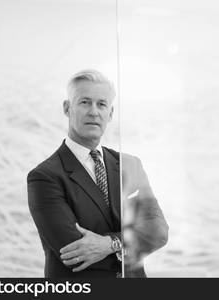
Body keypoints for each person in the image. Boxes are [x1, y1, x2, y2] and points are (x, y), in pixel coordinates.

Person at [27, 69, 168, 278]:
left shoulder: (130, 164)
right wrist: (133, 242)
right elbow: (75, 251)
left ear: (110, 114)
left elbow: (158, 232)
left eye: (101, 104)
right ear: (67, 108)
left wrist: (110, 244)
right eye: (85, 102)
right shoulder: (45, 177)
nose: (94, 111)